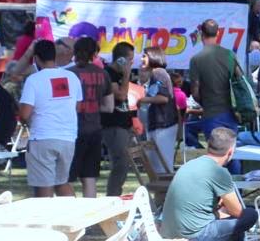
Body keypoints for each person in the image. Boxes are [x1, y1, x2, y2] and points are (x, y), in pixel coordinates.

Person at [161, 127, 258, 241]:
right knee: (249, 216)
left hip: (172, 232)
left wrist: (218, 209)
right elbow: (238, 212)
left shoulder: (191, 164)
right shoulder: (219, 173)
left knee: (235, 237)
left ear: (209, 146)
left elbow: (201, 207)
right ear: (231, 151)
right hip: (192, 239)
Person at [20, 40, 82, 198]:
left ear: (36, 59)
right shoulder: (72, 77)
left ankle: (45, 221)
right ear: (55, 56)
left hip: (43, 137)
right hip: (68, 138)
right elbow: (78, 107)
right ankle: (77, 220)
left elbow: (25, 114)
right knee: (62, 182)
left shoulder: (34, 80)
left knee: (44, 188)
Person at [189, 20, 247, 173]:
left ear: (201, 34)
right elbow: (241, 83)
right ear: (219, 33)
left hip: (211, 114)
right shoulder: (229, 55)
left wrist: (204, 102)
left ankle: (218, 193)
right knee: (232, 154)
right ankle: (236, 193)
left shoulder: (196, 60)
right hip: (231, 113)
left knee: (215, 157)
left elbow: (195, 92)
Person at [69, 37, 110, 197]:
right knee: (89, 177)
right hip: (94, 129)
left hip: (73, 131)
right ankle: (91, 219)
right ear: (94, 53)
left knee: (66, 179)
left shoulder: (69, 74)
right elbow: (109, 106)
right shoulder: (103, 74)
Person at [101, 41, 136, 196]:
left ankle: (115, 194)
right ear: (121, 60)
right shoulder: (109, 74)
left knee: (124, 163)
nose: (132, 63)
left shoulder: (121, 75)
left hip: (123, 124)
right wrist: (127, 75)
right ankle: (112, 196)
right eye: (130, 59)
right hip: (113, 125)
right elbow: (121, 95)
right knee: (120, 162)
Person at [139, 46, 179, 172]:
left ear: (153, 57)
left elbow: (163, 98)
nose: (142, 59)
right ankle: (161, 191)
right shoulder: (155, 73)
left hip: (164, 125)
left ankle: (166, 190)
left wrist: (141, 100)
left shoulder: (158, 73)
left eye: (144, 56)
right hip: (159, 124)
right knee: (157, 166)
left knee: (163, 166)